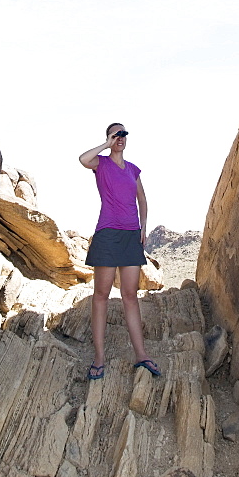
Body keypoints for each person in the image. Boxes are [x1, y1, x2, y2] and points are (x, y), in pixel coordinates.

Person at [79, 123, 161, 381]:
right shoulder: (100, 164)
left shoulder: (133, 170)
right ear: (109, 137)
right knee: (101, 295)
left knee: (130, 296)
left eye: (124, 134)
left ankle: (141, 355)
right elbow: (82, 159)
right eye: (117, 134)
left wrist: (144, 227)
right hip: (107, 234)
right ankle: (100, 357)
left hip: (130, 236)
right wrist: (106, 144)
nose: (121, 138)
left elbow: (143, 200)